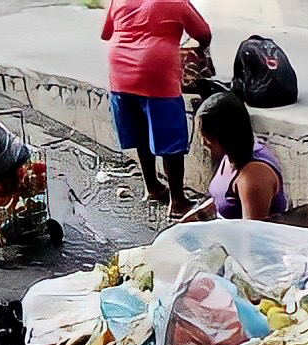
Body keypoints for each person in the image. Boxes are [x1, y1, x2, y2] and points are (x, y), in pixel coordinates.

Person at [101, 0, 211, 218]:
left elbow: (106, 33)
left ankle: (153, 187)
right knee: (171, 141)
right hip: (156, 71)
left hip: (120, 72)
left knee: (140, 132)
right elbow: (203, 33)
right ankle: (178, 202)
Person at [197, 92, 287, 220]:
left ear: (226, 136)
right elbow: (221, 198)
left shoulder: (253, 176)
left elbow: (253, 234)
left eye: (208, 138)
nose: (203, 143)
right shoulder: (231, 153)